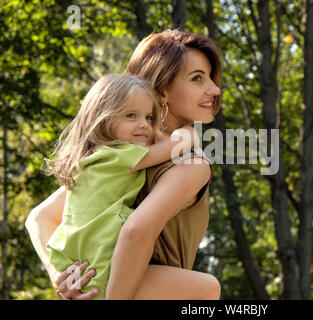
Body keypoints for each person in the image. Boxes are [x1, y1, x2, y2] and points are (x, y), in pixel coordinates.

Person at [25, 29, 223, 300]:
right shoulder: (189, 163)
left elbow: (39, 217)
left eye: (211, 77)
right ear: (163, 90)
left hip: (100, 287)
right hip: (138, 291)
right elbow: (135, 231)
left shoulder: (118, 153)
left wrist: (61, 276)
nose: (214, 89)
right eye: (198, 78)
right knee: (209, 289)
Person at [44, 74, 199, 300]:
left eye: (148, 117)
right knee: (206, 288)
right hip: (105, 273)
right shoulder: (119, 156)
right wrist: (190, 132)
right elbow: (178, 145)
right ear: (103, 119)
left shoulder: (92, 160)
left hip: (85, 273)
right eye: (131, 115)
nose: (144, 124)